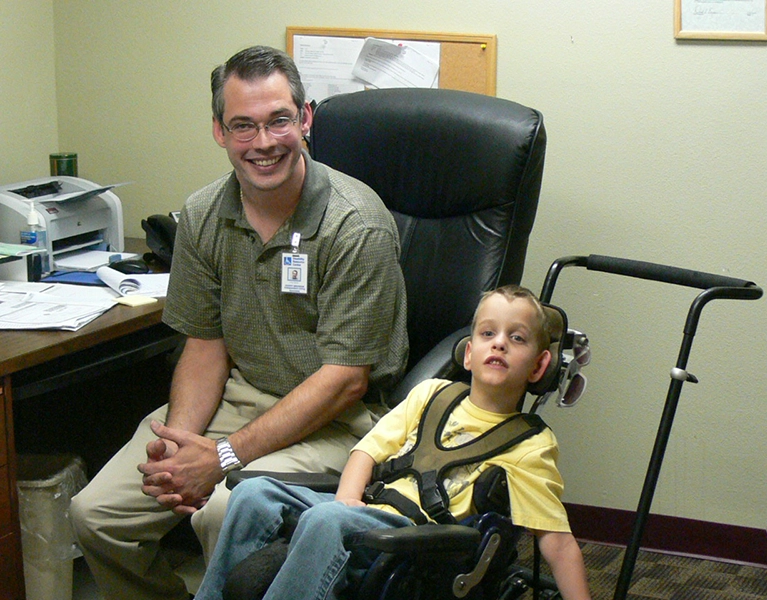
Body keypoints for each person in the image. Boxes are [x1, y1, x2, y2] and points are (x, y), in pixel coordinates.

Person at [70, 46, 408, 600]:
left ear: (306, 117)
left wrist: (223, 458)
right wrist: (183, 446)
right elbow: (204, 345)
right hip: (236, 398)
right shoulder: (204, 214)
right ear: (219, 132)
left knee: (224, 510)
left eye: (279, 120)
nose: (264, 142)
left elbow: (346, 378)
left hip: (338, 420)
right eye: (242, 126)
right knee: (97, 515)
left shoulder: (356, 223)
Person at [195, 285, 592, 600]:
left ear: (540, 365)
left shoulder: (530, 444)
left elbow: (556, 542)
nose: (499, 343)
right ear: (469, 354)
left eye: (517, 338)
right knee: (253, 493)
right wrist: (348, 500)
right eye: (488, 333)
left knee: (326, 520)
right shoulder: (431, 394)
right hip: (363, 512)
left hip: (417, 540)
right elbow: (366, 450)